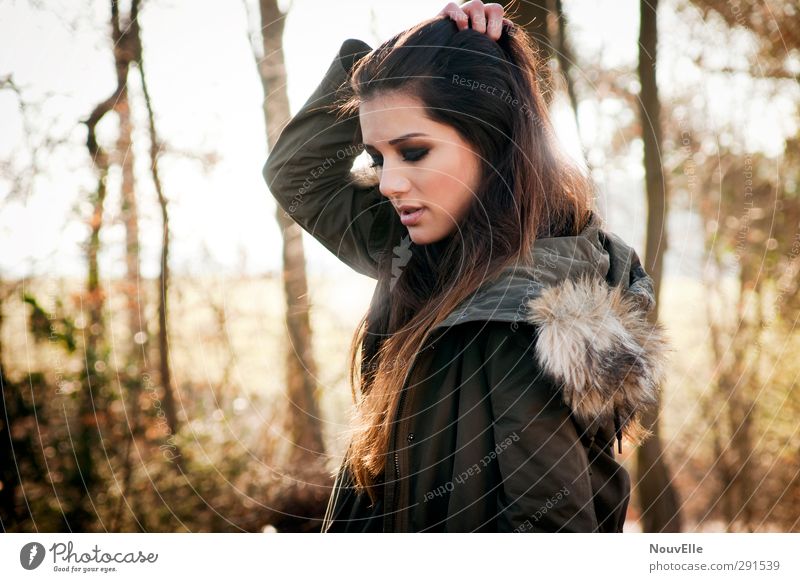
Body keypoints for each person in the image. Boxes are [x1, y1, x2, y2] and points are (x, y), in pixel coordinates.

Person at [262, 1, 671, 532]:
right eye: (377, 158)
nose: (387, 183)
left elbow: (551, 529)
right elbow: (299, 175)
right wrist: (388, 59)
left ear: (492, 138)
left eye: (412, 152)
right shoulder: (422, 251)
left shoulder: (519, 320)